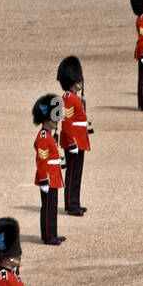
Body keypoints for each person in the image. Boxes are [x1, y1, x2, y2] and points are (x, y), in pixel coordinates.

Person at [57, 56, 91, 216]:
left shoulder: (73, 97)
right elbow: (68, 122)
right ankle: (71, 205)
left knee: (76, 173)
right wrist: (72, 142)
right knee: (72, 174)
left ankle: (74, 202)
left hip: (78, 139)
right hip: (74, 141)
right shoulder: (69, 99)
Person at [32, 93, 65, 245]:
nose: (56, 121)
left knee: (52, 207)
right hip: (48, 177)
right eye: (54, 119)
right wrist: (44, 180)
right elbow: (42, 160)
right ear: (45, 120)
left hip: (53, 175)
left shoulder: (49, 135)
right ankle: (47, 236)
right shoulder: (44, 137)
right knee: (47, 208)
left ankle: (53, 233)